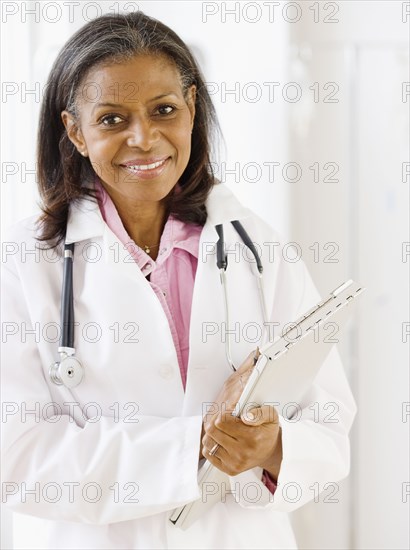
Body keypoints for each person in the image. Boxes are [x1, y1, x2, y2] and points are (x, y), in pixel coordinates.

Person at [1, 11, 357, 550]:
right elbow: (17, 455)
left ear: (191, 108)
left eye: (164, 110)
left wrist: (272, 447)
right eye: (112, 120)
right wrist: (196, 442)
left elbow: (329, 423)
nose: (144, 139)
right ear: (74, 130)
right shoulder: (25, 263)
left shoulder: (259, 249)